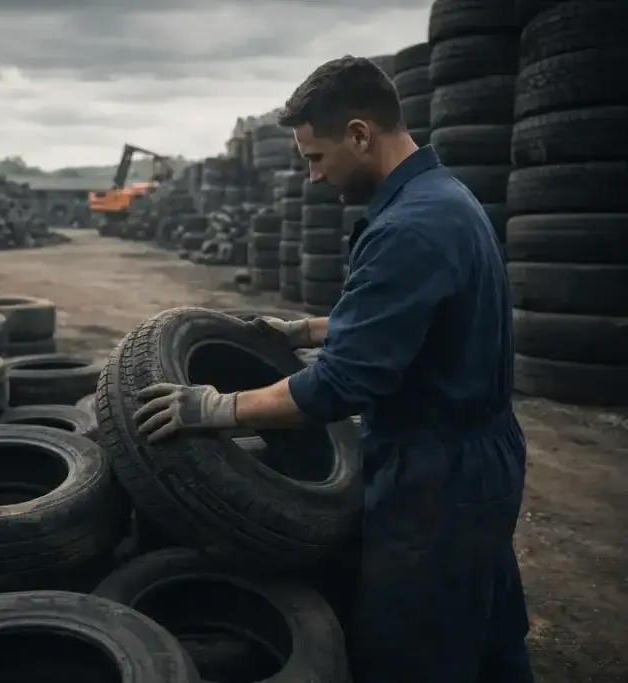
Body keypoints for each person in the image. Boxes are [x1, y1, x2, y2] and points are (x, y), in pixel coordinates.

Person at [133, 56, 534, 683]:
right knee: (486, 637)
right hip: (473, 458)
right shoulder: (444, 198)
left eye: (315, 159)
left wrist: (212, 408)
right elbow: (417, 314)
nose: (313, 178)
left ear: (359, 133)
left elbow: (339, 386)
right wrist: (310, 329)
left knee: (413, 654)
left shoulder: (410, 228)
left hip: (433, 477)